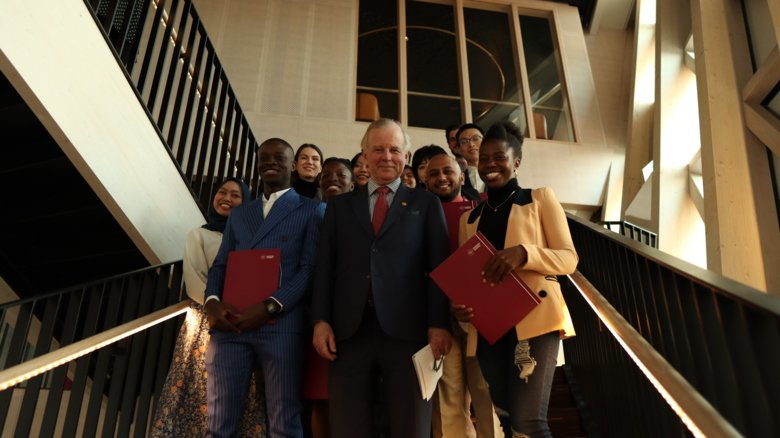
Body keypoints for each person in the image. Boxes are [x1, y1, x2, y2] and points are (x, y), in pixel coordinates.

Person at [312, 118, 453, 438]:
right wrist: (320, 321)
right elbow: (325, 268)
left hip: (411, 334)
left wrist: (439, 323)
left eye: (393, 149)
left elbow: (438, 268)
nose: (386, 156)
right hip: (348, 333)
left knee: (412, 427)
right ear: (364, 155)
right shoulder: (340, 207)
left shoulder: (426, 203)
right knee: (348, 427)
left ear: (406, 155)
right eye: (378, 149)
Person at [453, 122, 577, 437]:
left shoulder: (539, 199)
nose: (490, 164)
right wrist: (461, 307)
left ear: (516, 161)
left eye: (500, 157)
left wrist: (525, 253)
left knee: (530, 423)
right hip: (490, 329)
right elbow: (470, 280)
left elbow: (569, 259)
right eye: (484, 158)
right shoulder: (470, 219)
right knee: (507, 423)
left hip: (534, 320)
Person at [204, 138, 326, 438]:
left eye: (279, 157)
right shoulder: (240, 214)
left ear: (293, 165)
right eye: (264, 157)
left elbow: (309, 269)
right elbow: (221, 265)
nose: (271, 161)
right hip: (231, 325)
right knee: (218, 422)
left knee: (284, 422)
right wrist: (212, 302)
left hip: (281, 325)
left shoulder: (312, 209)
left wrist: (270, 305)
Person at [151, 177, 265, 437]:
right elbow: (194, 281)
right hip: (207, 321)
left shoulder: (253, 238)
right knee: (202, 387)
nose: (226, 197)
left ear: (246, 202)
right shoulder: (199, 234)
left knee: (241, 390)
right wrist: (217, 307)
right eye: (222, 192)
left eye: (236, 195)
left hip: (244, 320)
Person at [425, 153, 501, 438]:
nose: (441, 178)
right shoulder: (417, 215)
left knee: (485, 394)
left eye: (448, 171)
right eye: (433, 174)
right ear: (424, 180)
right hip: (437, 319)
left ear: (462, 174)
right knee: (448, 399)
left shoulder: (482, 209)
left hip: (477, 317)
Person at [301, 157, 355, 438]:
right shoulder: (310, 214)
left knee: (351, 400)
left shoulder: (362, 215)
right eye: (327, 175)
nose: (333, 178)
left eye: (340, 174)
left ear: (353, 181)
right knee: (319, 397)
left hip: (354, 318)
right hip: (315, 314)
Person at [455, 123, 486, 193]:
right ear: (458, 149)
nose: (471, 144)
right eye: (464, 141)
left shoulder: (499, 171)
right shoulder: (456, 178)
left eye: (476, 138)